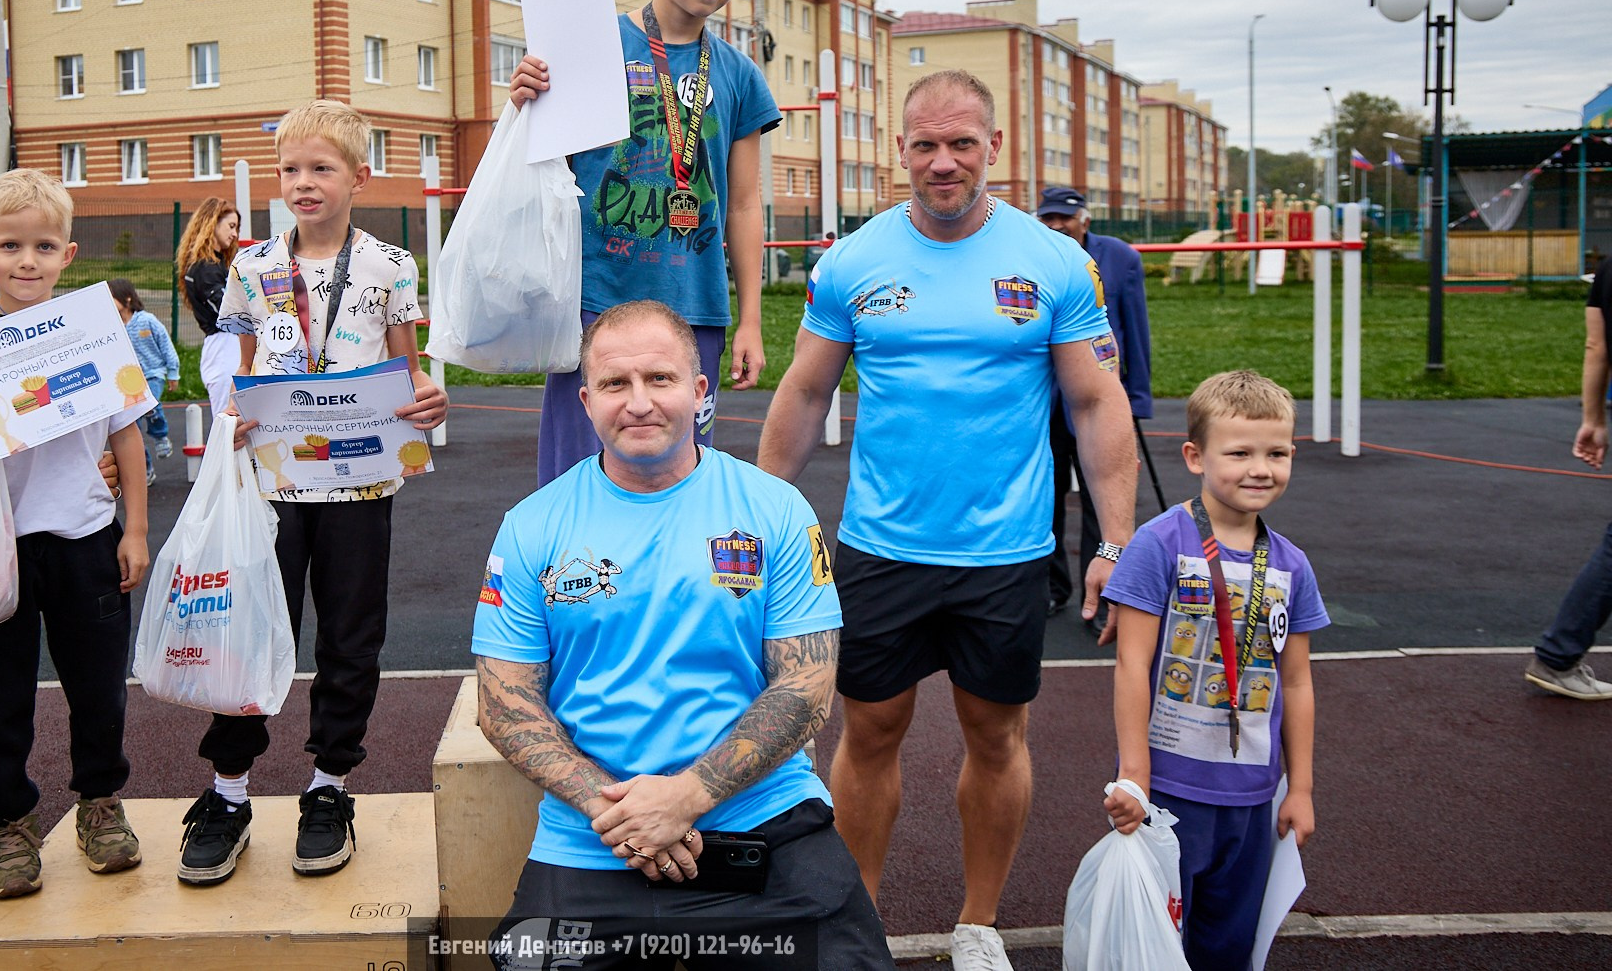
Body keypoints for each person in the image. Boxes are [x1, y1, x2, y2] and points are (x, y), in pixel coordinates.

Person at [756, 69, 1137, 971]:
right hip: (881, 547)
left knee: (996, 734)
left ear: (993, 148)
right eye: (924, 144)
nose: (942, 161)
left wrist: (1116, 543)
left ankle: (979, 923)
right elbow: (805, 392)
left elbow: (1096, 403)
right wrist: (754, 517)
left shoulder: (1054, 261)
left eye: (962, 142)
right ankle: (856, 922)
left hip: (1006, 553)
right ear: (901, 150)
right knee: (869, 731)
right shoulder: (853, 261)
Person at [472, 301, 894, 970]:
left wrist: (686, 797)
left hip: (761, 820)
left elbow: (807, 688)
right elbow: (504, 704)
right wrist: (628, 816)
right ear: (586, 401)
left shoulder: (775, 510)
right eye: (615, 383)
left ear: (699, 392)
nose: (639, 402)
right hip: (594, 837)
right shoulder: (531, 526)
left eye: (660, 379)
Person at [176, 100, 447, 884]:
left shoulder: (391, 265)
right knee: (249, 629)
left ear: (359, 176)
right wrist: (235, 414)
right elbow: (243, 371)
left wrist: (428, 399)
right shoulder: (253, 266)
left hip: (360, 482)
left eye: (322, 167)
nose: (304, 181)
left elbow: (408, 370)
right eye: (291, 168)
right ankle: (229, 791)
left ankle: (329, 786)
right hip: (274, 482)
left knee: (351, 636)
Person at [509, 0, 780, 487]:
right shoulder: (588, 47)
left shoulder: (739, 75)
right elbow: (541, 167)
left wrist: (751, 319)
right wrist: (522, 102)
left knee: (676, 472)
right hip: (595, 301)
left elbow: (743, 204)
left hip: (693, 308)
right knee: (578, 475)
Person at [0, 169, 154, 899]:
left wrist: (135, 528)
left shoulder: (96, 333)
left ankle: (100, 802)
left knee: (98, 687)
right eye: (10, 246)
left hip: (85, 536)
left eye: (42, 246)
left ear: (67, 254)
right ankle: (9, 820)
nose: (27, 260)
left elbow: (127, 435)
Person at [1102, 370, 1328, 971]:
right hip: (1169, 790)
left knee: (1228, 944)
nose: (1261, 469)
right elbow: (1131, 664)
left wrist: (1300, 789)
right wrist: (1134, 775)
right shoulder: (1159, 544)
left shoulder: (1292, 565)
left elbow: (1297, 682)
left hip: (1253, 797)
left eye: (1277, 453)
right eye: (1240, 453)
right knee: (1156, 944)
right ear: (1195, 457)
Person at [1035, 186, 1153, 625]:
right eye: (1048, 218)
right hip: (1043, 401)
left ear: (1084, 219)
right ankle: (1050, 588)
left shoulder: (1119, 257)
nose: (1057, 225)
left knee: (1101, 499)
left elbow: (1135, 330)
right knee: (1044, 497)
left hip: (1099, 397)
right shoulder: (1032, 255)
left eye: (1064, 217)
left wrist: (1136, 398)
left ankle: (1104, 592)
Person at [1523, 268, 1612, 699]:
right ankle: (1559, 653)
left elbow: (1597, 346)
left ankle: (1559, 653)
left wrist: (1593, 418)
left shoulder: (1608, 269)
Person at [175, 197, 240, 422]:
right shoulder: (205, 268)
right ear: (212, 223)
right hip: (224, 349)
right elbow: (228, 311)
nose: (235, 234)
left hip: (226, 347)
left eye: (236, 228)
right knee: (228, 425)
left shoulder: (212, 265)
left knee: (233, 424)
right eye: (231, 226)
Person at [109, 277, 179, 484]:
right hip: (128, 382)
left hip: (153, 374)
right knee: (132, 427)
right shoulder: (112, 326)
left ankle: (160, 435)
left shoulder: (147, 320)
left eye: (112, 297)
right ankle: (145, 468)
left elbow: (166, 345)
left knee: (150, 403)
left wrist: (173, 372)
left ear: (127, 298)